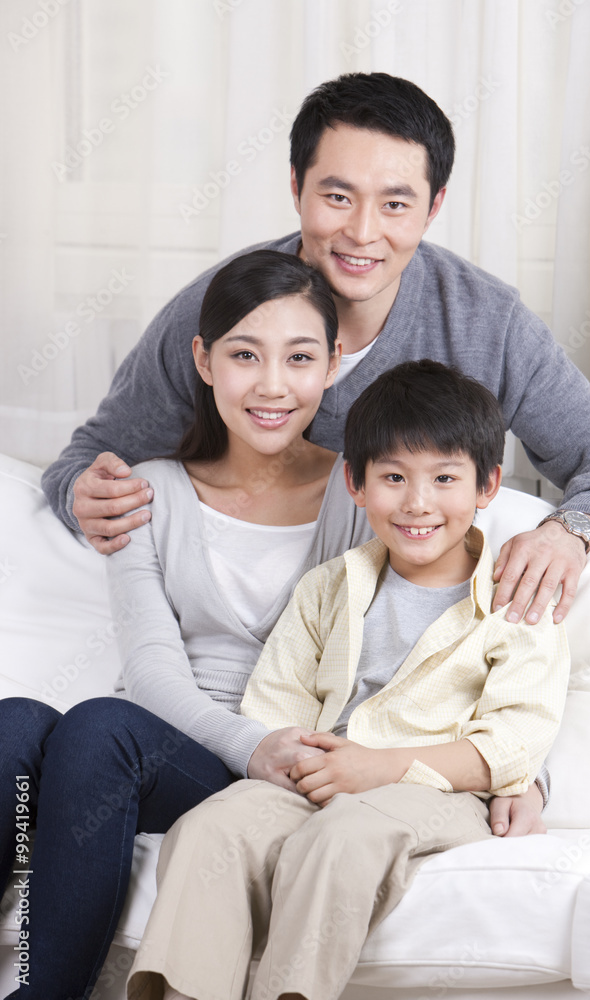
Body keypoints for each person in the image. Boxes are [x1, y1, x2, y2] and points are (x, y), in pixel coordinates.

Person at [42, 71, 590, 636]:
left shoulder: (486, 321)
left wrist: (570, 529)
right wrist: (83, 495)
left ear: (433, 206)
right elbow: (83, 462)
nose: (363, 233)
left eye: (395, 203)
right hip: (227, 636)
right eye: (337, 197)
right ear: (296, 187)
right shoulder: (220, 308)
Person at [126, 360, 571, 1000]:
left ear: (487, 485)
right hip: (321, 773)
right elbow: (274, 707)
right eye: (393, 478)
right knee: (211, 827)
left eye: (445, 478)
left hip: (436, 791)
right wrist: (315, 763)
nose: (417, 503)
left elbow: (513, 742)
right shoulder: (329, 586)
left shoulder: (515, 600)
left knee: (342, 836)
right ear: (355, 484)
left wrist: (380, 768)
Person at [0, 250, 375, 1000]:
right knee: (12, 724)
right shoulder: (148, 493)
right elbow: (149, 667)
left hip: (248, 760)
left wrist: (270, 747)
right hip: (162, 739)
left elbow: (393, 654)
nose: (272, 385)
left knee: (101, 728)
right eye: (244, 355)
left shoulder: (361, 494)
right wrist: (249, 744)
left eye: (299, 357)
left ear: (333, 363)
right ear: (204, 360)